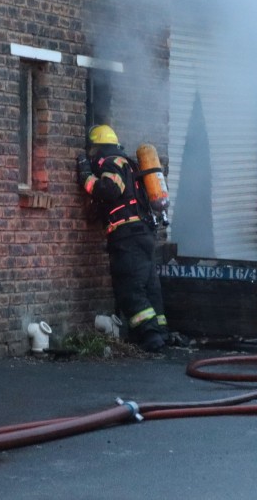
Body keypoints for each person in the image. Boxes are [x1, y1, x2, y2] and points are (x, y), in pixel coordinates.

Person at [76, 124, 170, 352]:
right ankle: (161, 331)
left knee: (130, 287)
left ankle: (150, 337)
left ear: (96, 147)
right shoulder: (129, 162)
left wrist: (85, 176)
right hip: (144, 233)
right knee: (149, 286)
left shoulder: (111, 161)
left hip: (127, 236)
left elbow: (109, 190)